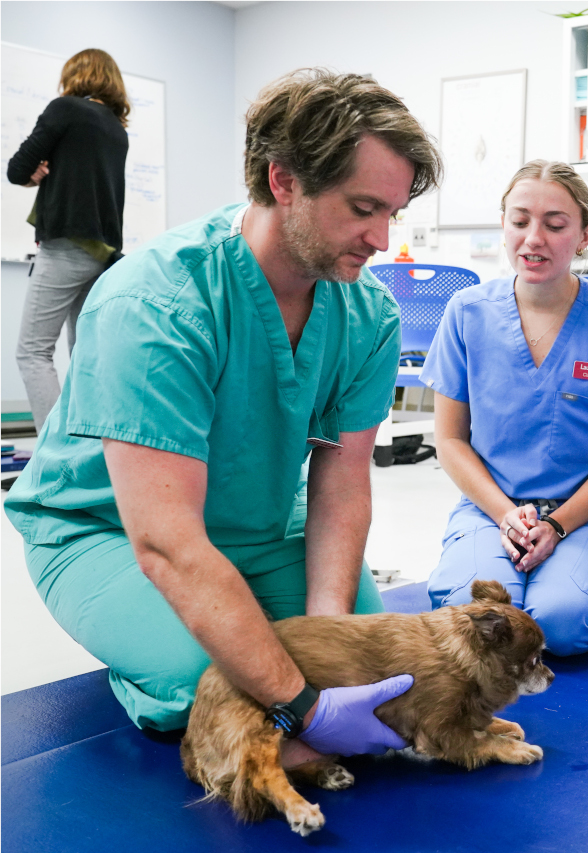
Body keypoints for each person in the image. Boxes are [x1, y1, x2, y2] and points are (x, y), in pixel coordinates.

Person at [5, 69, 442, 766]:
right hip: (106, 530)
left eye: (392, 213)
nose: (381, 240)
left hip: (261, 525)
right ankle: (155, 671)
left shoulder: (368, 314)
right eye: (363, 208)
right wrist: (305, 706)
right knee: (209, 686)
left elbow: (342, 481)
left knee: (368, 664)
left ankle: (243, 646)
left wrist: (330, 649)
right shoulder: (155, 304)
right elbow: (167, 542)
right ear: (283, 181)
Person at [421, 159, 588, 656]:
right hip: (492, 509)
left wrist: (557, 526)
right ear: (504, 226)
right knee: (481, 628)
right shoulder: (467, 314)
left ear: (584, 235)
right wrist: (505, 515)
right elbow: (448, 439)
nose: (534, 238)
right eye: (519, 221)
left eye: (555, 225)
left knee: (563, 626)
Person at [6, 48, 130, 433]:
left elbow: (17, 169)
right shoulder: (116, 129)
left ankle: (51, 452)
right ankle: (83, 450)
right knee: (84, 356)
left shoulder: (65, 109)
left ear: (77, 77)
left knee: (32, 351)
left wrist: (35, 174)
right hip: (104, 254)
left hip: (65, 247)